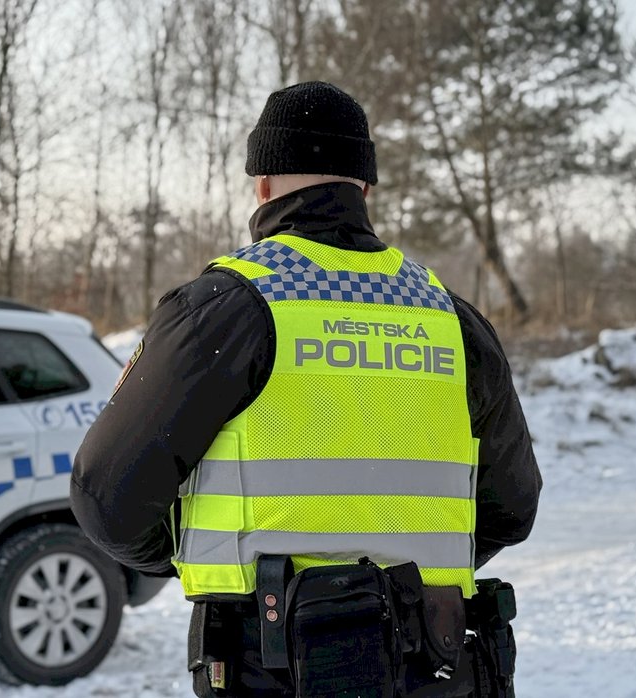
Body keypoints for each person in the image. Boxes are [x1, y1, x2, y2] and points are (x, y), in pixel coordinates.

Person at [71, 81, 541, 697]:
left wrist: (198, 555)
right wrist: (396, 588)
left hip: (270, 660)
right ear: (364, 188)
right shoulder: (452, 319)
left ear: (262, 183)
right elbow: (512, 505)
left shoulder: (227, 308)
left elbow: (106, 496)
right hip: (435, 658)